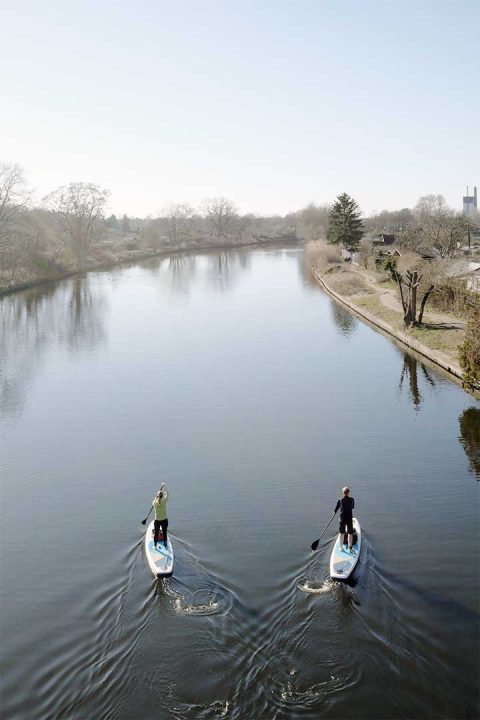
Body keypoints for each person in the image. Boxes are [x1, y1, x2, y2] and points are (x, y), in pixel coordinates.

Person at [334, 486, 355, 552]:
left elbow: (335, 510)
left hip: (342, 519)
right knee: (350, 533)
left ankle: (341, 548)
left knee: (342, 533)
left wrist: (334, 512)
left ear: (343, 493)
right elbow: (353, 507)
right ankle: (350, 548)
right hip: (349, 518)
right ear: (348, 493)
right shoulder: (352, 499)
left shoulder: (340, 500)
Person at [152, 483, 169, 549]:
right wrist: (164, 486)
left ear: (157, 496)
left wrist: (156, 497)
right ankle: (165, 545)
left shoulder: (154, 503)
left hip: (157, 521)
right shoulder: (164, 501)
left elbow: (153, 502)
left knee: (156, 533)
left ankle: (155, 546)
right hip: (164, 520)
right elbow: (168, 494)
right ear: (162, 496)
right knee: (164, 533)